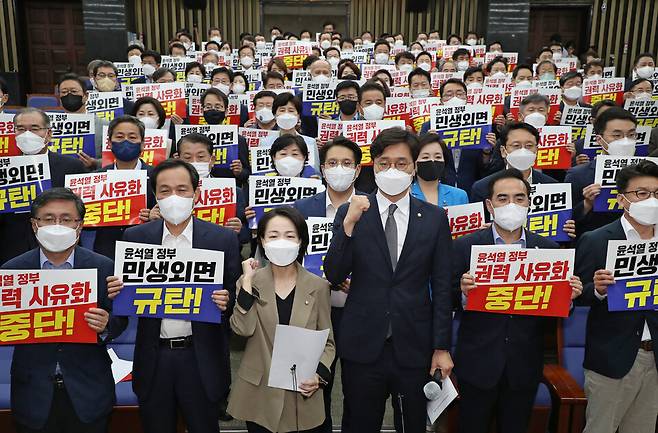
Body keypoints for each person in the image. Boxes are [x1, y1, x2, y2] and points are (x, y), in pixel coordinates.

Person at [324, 127, 454, 433]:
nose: (391, 170)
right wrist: (348, 226)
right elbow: (334, 274)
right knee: (359, 422)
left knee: (411, 424)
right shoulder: (352, 210)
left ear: (413, 167)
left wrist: (441, 346)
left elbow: (443, 286)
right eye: (384, 163)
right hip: (363, 342)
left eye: (401, 162)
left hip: (413, 342)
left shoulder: (434, 218)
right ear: (374, 166)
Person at [107, 158, 241, 433]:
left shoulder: (221, 239)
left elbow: (234, 304)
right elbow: (123, 310)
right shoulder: (135, 238)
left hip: (200, 358)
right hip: (154, 358)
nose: (174, 197)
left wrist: (226, 304)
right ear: (155, 195)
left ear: (197, 193)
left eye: (182, 189)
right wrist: (115, 294)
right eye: (165, 190)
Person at [455, 168, 583, 433]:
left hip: (523, 364)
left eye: (519, 198)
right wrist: (463, 293)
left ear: (529, 203)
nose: (511, 204)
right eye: (502, 198)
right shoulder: (464, 246)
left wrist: (567, 298)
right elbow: (443, 300)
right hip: (477, 363)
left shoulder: (548, 250)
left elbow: (554, 312)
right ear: (489, 205)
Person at [2, 188, 118, 433]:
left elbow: (122, 319)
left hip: (89, 390)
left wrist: (107, 323)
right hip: (32, 392)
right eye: (48, 218)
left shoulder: (103, 266)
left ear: (80, 226)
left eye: (66, 219)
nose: (57, 225)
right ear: (34, 225)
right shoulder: (12, 271)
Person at [228, 207, 334, 433]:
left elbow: (328, 342)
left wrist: (319, 376)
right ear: (262, 241)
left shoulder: (318, 286)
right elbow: (242, 330)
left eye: (290, 235)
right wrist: (247, 282)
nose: (281, 242)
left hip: (302, 393)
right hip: (259, 393)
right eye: (273, 236)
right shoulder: (249, 282)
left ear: (300, 241)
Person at [575, 160, 658, 433]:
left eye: (657, 193)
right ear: (622, 199)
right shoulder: (597, 239)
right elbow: (577, 293)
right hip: (612, 358)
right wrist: (597, 290)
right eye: (642, 193)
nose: (651, 199)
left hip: (654, 356)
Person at [0, 108, 86, 265]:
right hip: (12, 248)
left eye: (34, 129)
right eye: (20, 129)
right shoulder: (4, 169)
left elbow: (81, 211)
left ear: (49, 133)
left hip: (64, 251)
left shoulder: (71, 166)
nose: (27, 134)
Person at [565, 107, 638, 237]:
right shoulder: (578, 175)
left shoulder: (649, 172)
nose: (625, 141)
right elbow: (567, 221)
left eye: (631, 135)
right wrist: (587, 204)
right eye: (617, 135)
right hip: (597, 244)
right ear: (599, 139)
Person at [90, 115, 154, 259]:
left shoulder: (157, 176)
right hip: (105, 250)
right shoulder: (96, 178)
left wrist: (153, 215)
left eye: (132, 137)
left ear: (142, 144)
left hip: (145, 249)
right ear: (110, 143)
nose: (126, 141)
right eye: (119, 137)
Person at [198, 88, 251, 186]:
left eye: (218, 107)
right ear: (202, 110)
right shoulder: (192, 139)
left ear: (226, 111)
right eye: (208, 106)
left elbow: (247, 173)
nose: (213, 110)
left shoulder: (238, 139)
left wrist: (240, 171)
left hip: (227, 192)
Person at [57, 73, 109, 170]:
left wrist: (95, 163)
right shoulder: (50, 127)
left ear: (85, 96)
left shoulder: (104, 125)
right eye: (64, 92)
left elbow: (113, 160)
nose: (69, 95)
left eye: (73, 91)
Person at [410, 133, 468, 207]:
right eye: (425, 157)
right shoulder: (405, 194)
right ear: (414, 162)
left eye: (437, 157)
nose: (432, 160)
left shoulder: (460, 196)